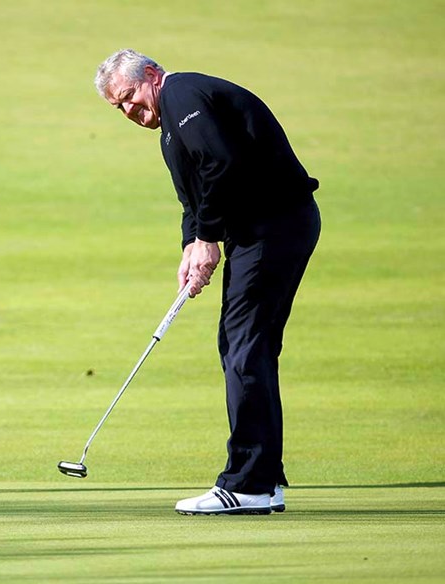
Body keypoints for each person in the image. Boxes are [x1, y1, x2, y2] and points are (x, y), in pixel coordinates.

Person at [94, 49, 320, 515]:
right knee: (246, 348)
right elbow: (193, 198)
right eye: (119, 108)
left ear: (152, 76)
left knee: (242, 349)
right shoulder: (169, 129)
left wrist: (207, 238)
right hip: (260, 231)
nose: (130, 112)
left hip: (273, 224)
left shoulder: (183, 93)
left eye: (131, 97)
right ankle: (264, 479)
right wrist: (191, 247)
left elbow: (222, 163)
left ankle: (248, 482)